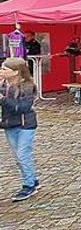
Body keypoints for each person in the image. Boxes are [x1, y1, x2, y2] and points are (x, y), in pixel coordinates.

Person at [0, 57, 39, 201]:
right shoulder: (3, 85)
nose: (1, 71)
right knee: (19, 157)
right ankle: (33, 179)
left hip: (25, 125)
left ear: (15, 72)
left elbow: (22, 107)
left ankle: (28, 185)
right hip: (9, 125)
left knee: (22, 155)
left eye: (5, 69)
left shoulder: (27, 87)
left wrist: (2, 99)